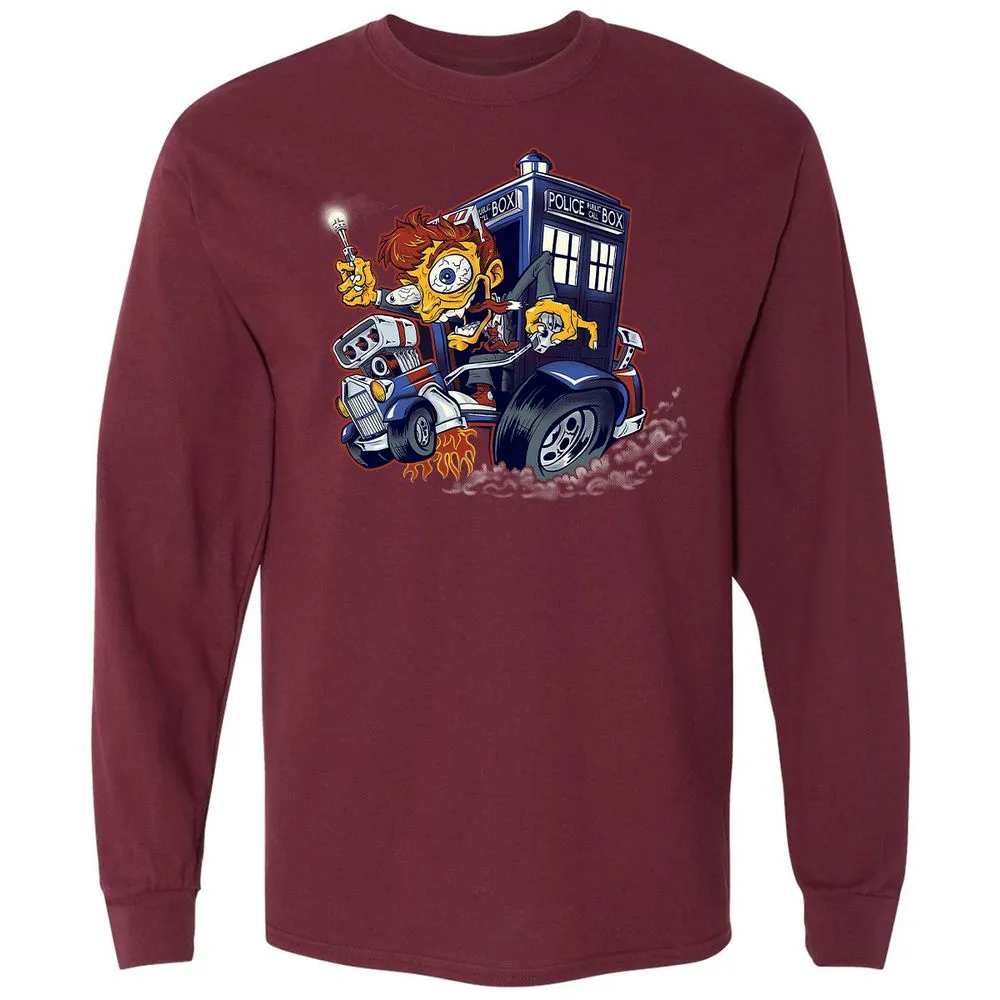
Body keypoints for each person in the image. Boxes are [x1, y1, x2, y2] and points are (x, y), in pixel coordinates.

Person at [335, 208, 596, 404]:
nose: (432, 297)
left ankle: (487, 395)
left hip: (527, 358)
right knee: (479, 360)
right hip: (500, 355)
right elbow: (419, 308)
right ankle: (485, 395)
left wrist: (547, 302)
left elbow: (544, 261)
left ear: (490, 272)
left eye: (446, 276)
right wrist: (373, 296)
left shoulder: (510, 300)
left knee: (483, 361)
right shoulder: (458, 311)